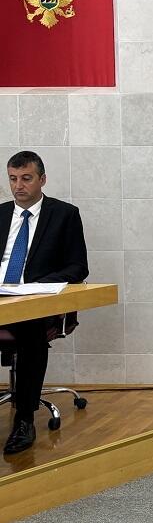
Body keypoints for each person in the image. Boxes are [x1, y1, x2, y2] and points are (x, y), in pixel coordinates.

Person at [1, 151, 88, 455]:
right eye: (13, 179)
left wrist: (36, 287)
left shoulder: (64, 215)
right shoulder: (0, 215)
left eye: (26, 178)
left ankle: (24, 420)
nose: (18, 186)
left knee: (29, 331)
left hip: (37, 303)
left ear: (42, 179)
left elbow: (78, 267)